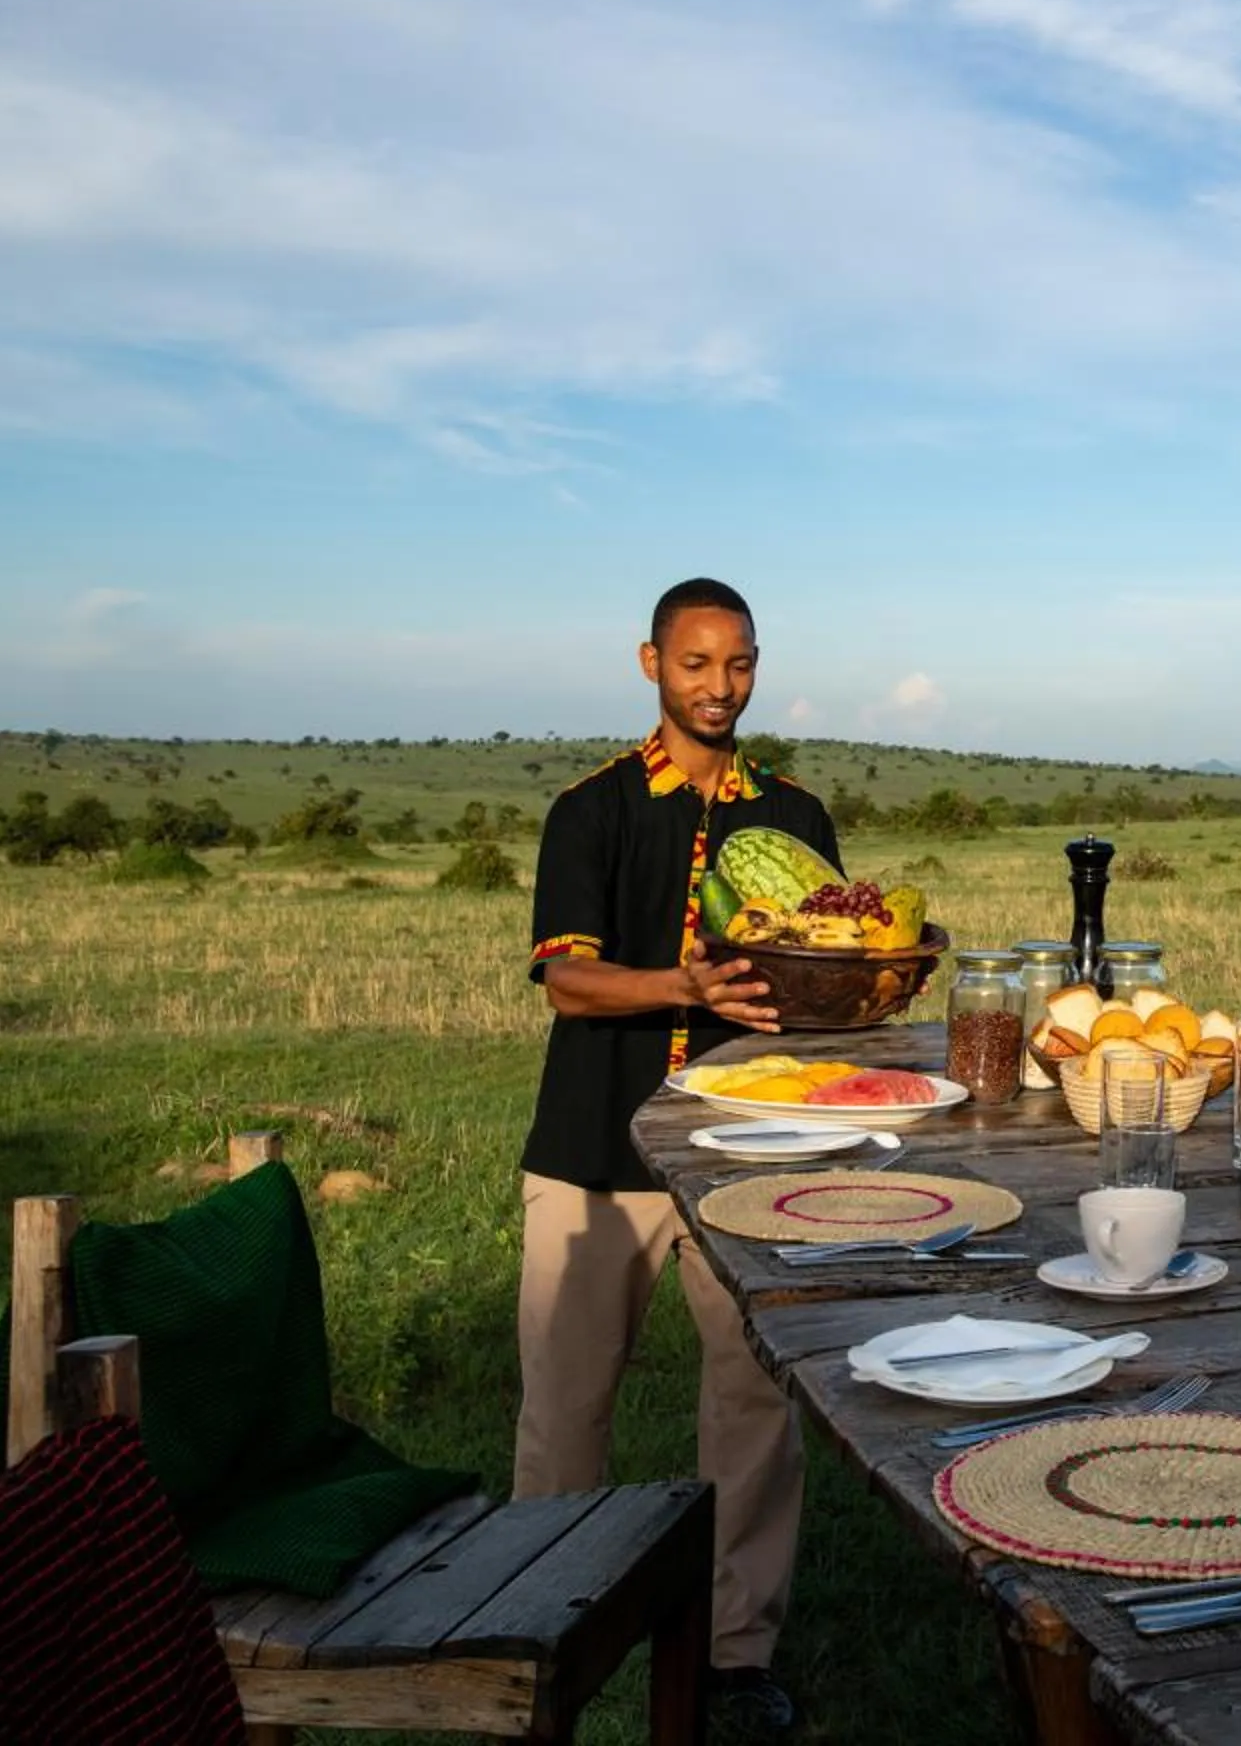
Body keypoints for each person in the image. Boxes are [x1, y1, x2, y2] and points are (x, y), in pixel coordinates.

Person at [514, 577, 834, 1736]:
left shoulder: (794, 816)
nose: (719, 685)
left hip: (746, 1150)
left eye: (738, 662)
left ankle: (736, 1656)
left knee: (753, 1401)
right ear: (651, 662)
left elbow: (823, 962)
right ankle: (539, 1628)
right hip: (594, 1148)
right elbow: (567, 980)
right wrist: (684, 985)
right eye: (696, 662)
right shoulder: (591, 809)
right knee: (565, 1404)